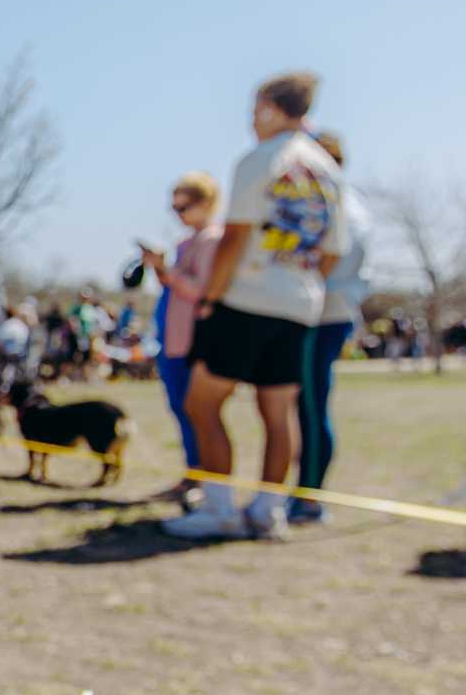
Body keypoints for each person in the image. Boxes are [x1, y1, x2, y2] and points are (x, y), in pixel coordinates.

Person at [164, 73, 348, 542]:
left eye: (253, 108)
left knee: (201, 404)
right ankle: (269, 511)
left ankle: (221, 507)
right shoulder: (329, 170)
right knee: (278, 411)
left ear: (270, 107)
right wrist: (301, 285)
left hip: (245, 298)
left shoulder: (260, 159)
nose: (249, 119)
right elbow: (332, 251)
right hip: (300, 304)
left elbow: (236, 237)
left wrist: (211, 297)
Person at [291, 130, 369, 524]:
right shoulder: (347, 201)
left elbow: (330, 260)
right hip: (325, 312)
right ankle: (303, 491)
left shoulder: (337, 202)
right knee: (305, 405)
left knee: (310, 406)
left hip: (322, 314)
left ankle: (308, 498)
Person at [141, 172, 223, 497]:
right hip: (172, 339)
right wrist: (160, 270)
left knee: (196, 410)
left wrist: (168, 272)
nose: (178, 214)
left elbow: (202, 290)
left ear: (206, 203)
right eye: (173, 208)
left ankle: (203, 478)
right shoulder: (185, 243)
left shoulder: (213, 240)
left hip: (194, 341)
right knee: (180, 407)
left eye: (184, 207)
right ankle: (192, 472)